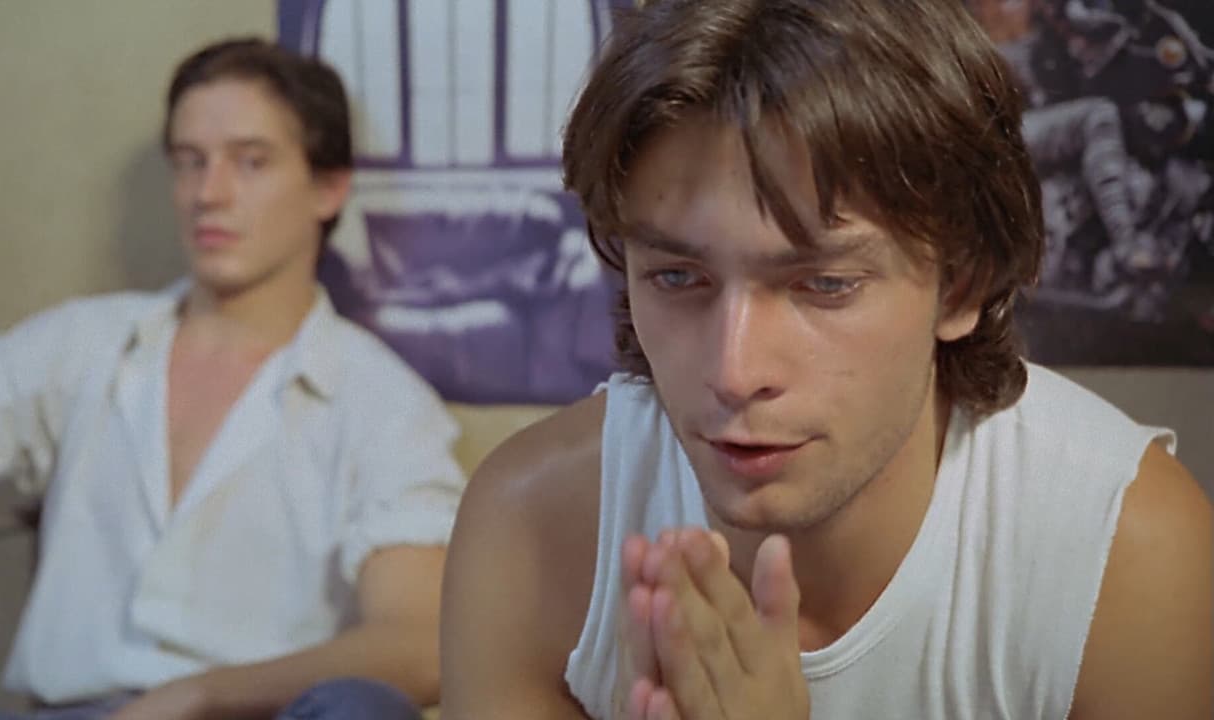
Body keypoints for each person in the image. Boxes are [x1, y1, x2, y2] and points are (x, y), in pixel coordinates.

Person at [439, 1, 1213, 718]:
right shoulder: (533, 530)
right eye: (676, 277)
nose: (734, 373)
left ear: (962, 285)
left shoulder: (1122, 556)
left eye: (826, 284)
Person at [0, 38, 464, 720]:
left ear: (328, 188)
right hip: (66, 712)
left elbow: (418, 644)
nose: (208, 194)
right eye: (190, 162)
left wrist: (199, 695)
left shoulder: (382, 403)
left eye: (251, 161)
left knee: (363, 708)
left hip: (252, 713)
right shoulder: (83, 341)